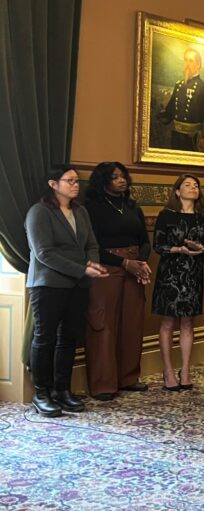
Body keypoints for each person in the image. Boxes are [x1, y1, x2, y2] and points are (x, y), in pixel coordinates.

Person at [25, 165, 108, 416]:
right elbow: (44, 254)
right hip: (48, 284)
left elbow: (92, 244)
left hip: (77, 286)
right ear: (53, 184)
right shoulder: (39, 212)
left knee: (69, 339)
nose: (75, 184)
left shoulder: (80, 212)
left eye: (76, 180)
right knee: (45, 337)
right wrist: (82, 268)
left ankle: (62, 390)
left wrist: (92, 262)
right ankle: (42, 393)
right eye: (69, 180)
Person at [83, 162, 151, 401]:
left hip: (134, 266)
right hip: (106, 268)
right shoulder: (91, 208)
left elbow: (144, 239)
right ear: (103, 181)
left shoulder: (132, 206)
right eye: (115, 177)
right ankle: (104, 384)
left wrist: (141, 262)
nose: (122, 180)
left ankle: (128, 378)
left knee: (132, 323)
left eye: (123, 176)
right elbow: (91, 246)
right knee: (104, 324)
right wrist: (124, 263)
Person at [152, 174, 204, 391]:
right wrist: (178, 248)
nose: (193, 187)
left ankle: (185, 370)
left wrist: (200, 248)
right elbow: (158, 245)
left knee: (188, 322)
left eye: (196, 185)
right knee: (168, 322)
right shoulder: (166, 215)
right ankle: (168, 370)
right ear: (177, 191)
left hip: (193, 274)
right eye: (187, 185)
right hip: (169, 274)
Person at [157, 48, 204, 153]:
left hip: (192, 138)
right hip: (175, 136)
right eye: (185, 60)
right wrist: (156, 116)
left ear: (198, 65)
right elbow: (170, 111)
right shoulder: (179, 85)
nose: (187, 64)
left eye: (190, 61)